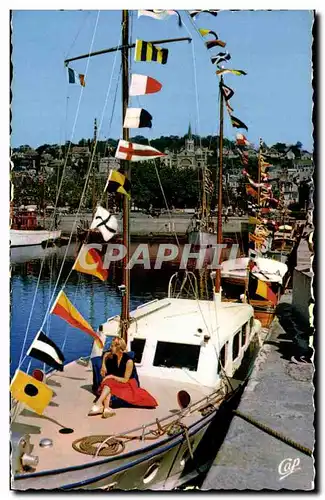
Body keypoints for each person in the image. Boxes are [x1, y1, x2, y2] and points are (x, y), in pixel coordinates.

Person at [88, 337, 158, 418]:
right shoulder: (112, 355)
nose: (110, 348)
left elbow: (125, 380)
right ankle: (106, 408)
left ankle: (99, 404)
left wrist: (111, 376)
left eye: (112, 346)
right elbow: (105, 355)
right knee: (108, 383)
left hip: (127, 383)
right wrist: (103, 365)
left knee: (108, 381)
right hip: (115, 381)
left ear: (119, 348)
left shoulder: (129, 361)